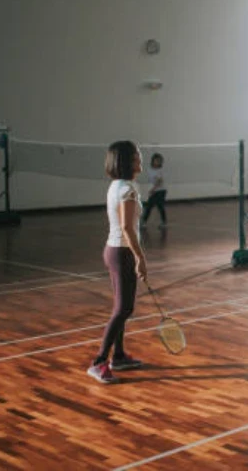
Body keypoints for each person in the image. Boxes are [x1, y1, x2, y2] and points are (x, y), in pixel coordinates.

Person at [87, 141, 147, 383]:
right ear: (127, 161)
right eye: (137, 156)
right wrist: (140, 257)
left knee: (121, 308)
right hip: (121, 252)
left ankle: (119, 356)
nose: (140, 159)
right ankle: (100, 362)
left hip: (114, 250)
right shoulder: (127, 190)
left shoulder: (118, 186)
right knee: (124, 309)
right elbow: (126, 227)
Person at [141, 152, 167, 228]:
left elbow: (159, 182)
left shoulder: (161, 170)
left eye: (159, 161)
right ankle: (144, 222)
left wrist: (153, 189)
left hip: (161, 191)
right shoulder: (149, 170)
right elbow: (150, 180)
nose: (157, 162)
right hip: (154, 190)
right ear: (153, 161)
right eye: (156, 160)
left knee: (160, 206)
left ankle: (164, 222)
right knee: (149, 206)